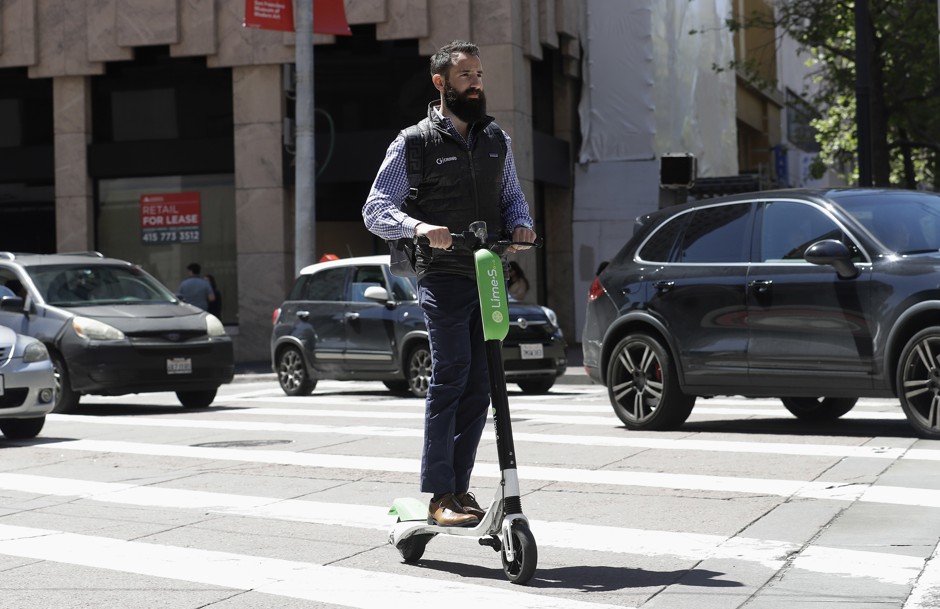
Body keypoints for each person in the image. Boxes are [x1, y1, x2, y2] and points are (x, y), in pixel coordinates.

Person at [363, 40, 537, 528]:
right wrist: (418, 227)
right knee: (452, 375)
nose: (476, 83)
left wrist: (522, 226)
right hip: (441, 275)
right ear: (441, 83)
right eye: (465, 75)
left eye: (479, 74)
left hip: (487, 274)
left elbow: (512, 199)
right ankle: (439, 494)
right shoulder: (413, 143)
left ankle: (460, 490)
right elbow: (376, 209)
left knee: (482, 385)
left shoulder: (495, 139)